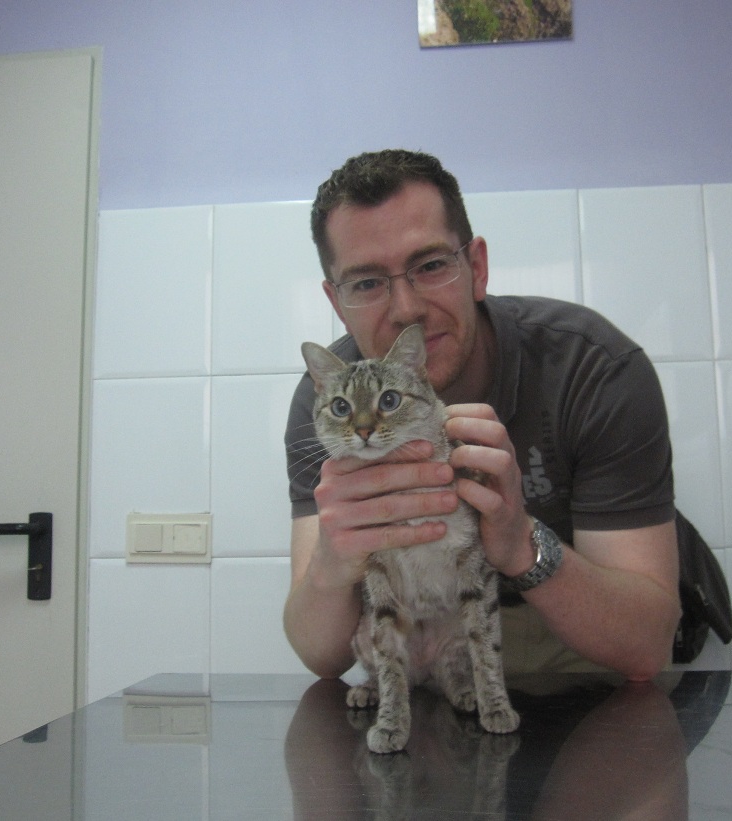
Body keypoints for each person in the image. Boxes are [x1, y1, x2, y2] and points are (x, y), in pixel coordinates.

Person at [282, 149, 681, 682]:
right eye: (367, 283)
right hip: (428, 676)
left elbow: (646, 647)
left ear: (476, 268)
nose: (406, 309)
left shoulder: (592, 369)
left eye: (430, 266)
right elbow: (320, 655)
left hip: (583, 674)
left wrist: (520, 543)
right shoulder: (333, 405)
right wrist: (332, 563)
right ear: (337, 303)